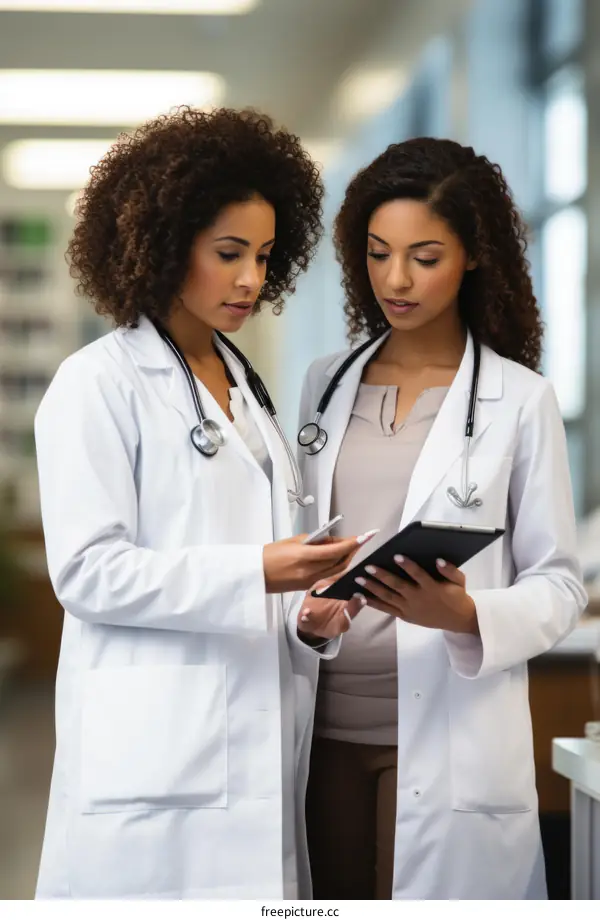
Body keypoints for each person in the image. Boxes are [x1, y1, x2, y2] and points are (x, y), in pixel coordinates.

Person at [34, 107, 367, 900]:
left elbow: (253, 566)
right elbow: (87, 573)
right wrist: (257, 571)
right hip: (153, 758)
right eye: (228, 253)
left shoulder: (246, 388)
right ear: (164, 243)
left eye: (264, 256)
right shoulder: (97, 384)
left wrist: (305, 616)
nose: (251, 279)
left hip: (255, 744)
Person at [296, 137, 587, 900]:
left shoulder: (520, 399)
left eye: (424, 257)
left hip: (446, 730)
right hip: (320, 726)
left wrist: (464, 614)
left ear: (473, 256)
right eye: (378, 253)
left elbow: (560, 582)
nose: (395, 279)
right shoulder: (323, 385)